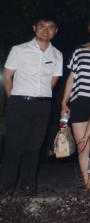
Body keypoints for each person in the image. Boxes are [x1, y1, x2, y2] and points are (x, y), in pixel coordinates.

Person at [2, 17, 62, 195]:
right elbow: (7, 76)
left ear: (55, 31)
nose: (45, 30)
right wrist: (13, 98)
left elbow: (53, 80)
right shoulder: (19, 50)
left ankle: (28, 185)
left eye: (50, 27)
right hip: (18, 102)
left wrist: (41, 96)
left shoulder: (57, 54)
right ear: (34, 28)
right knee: (13, 146)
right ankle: (7, 186)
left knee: (34, 146)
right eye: (42, 26)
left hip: (42, 105)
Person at [61, 15, 90, 189]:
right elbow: (72, 77)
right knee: (83, 145)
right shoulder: (79, 50)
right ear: (89, 28)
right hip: (79, 101)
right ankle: (87, 184)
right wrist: (64, 102)